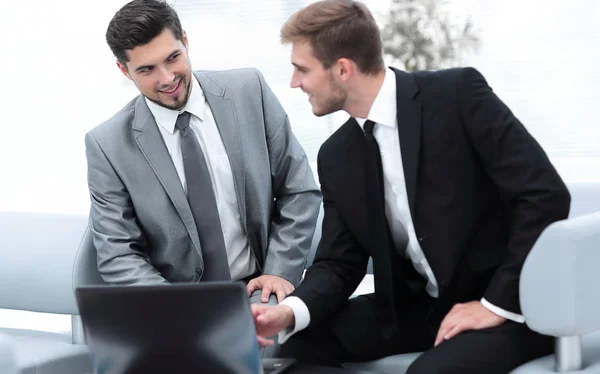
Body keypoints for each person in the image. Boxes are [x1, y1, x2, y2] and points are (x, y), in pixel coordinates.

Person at [251, 1, 571, 372]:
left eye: (301, 69)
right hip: (420, 308)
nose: (294, 83)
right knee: (298, 347)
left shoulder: (457, 96)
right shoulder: (336, 155)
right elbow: (339, 263)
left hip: (506, 306)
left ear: (342, 69)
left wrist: (492, 306)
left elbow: (544, 195)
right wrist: (288, 313)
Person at [85, 0, 321, 306]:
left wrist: (280, 272)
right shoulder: (107, 145)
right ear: (124, 70)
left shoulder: (249, 90)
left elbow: (299, 190)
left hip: (262, 288)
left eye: (173, 58)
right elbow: (118, 252)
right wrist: (180, 311)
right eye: (147, 69)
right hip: (176, 305)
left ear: (185, 40)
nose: (167, 78)